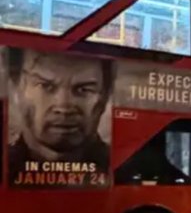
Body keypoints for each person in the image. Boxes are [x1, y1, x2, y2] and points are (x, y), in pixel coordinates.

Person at [6, 47, 112, 182]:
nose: (64, 107)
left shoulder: (122, 169)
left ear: (105, 96)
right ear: (16, 89)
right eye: (45, 86)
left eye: (84, 89)